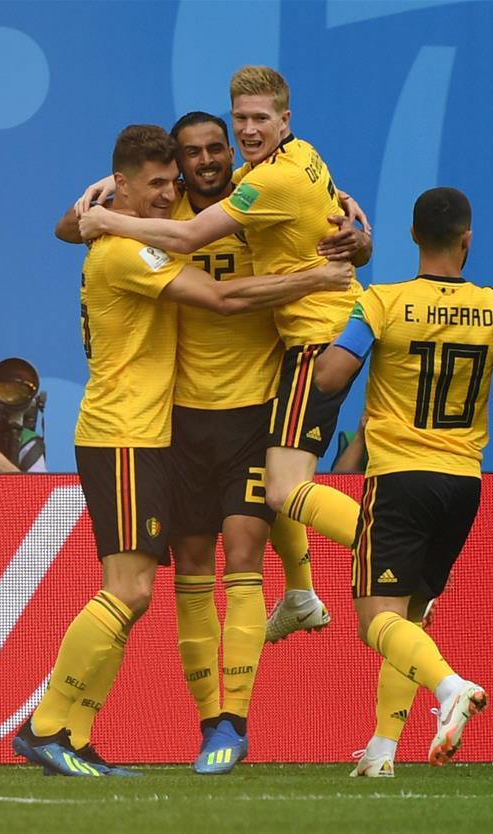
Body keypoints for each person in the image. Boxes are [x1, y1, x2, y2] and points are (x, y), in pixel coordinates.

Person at [12, 124, 352, 777]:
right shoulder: (123, 251)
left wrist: (351, 234)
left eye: (176, 182)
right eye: (159, 184)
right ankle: (46, 726)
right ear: (124, 187)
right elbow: (222, 298)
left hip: (147, 435)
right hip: (124, 435)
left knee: (136, 590)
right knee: (130, 589)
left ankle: (70, 734)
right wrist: (314, 279)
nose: (171, 193)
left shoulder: (143, 229)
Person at [78, 68, 369, 571]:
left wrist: (108, 218)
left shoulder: (264, 183)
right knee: (254, 511)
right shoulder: (289, 160)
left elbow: (199, 256)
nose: (249, 129)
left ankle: (382, 547)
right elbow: (67, 225)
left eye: (259, 119)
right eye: (242, 118)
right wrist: (111, 187)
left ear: (284, 119)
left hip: (300, 351)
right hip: (194, 404)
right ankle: (307, 589)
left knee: (278, 497)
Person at [313, 187, 493, 777]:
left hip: (399, 478)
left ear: (414, 236)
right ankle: (383, 750)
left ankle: (449, 689)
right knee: (410, 620)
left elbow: (329, 378)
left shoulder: (384, 302)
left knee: (378, 621)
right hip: (463, 485)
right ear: (467, 239)